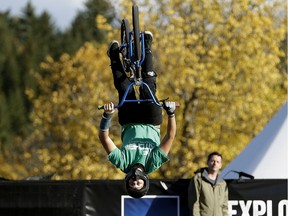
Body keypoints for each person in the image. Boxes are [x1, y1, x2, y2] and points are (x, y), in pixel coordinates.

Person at [98, 31, 177, 198]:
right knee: (149, 85)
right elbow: (170, 137)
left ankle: (114, 57)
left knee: (124, 87)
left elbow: (104, 138)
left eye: (132, 183)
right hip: (151, 121)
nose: (135, 179)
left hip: (129, 120)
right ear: (145, 180)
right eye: (138, 183)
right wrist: (171, 113)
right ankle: (147, 46)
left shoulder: (123, 163)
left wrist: (107, 116)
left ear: (126, 180)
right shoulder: (153, 164)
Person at [187, 152, 228, 216]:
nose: (215, 164)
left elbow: (224, 207)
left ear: (220, 165)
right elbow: (194, 204)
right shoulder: (198, 179)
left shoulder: (223, 183)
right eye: (212, 161)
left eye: (217, 162)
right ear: (207, 162)